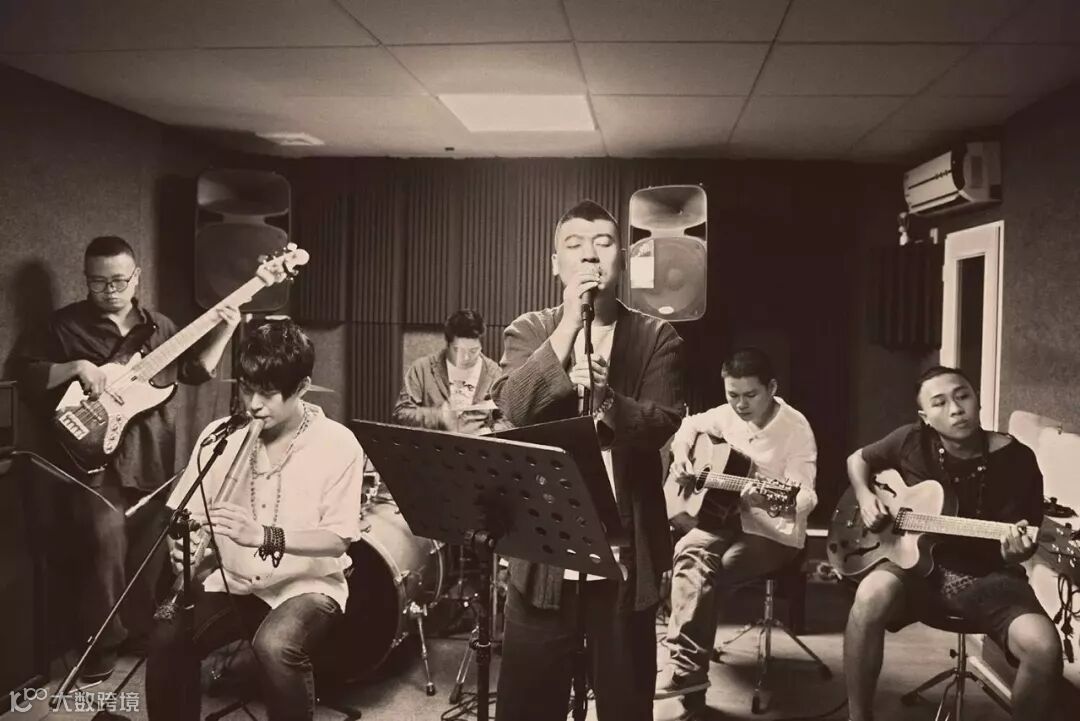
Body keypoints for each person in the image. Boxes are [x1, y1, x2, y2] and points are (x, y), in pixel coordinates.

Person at [490, 199, 685, 721]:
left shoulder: (657, 337)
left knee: (625, 705)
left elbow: (662, 422)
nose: (590, 256)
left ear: (622, 259)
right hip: (543, 551)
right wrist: (565, 334)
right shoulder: (529, 330)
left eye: (603, 244)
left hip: (624, 555)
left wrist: (607, 399)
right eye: (574, 246)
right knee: (527, 707)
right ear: (556, 264)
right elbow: (513, 406)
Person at [18, 235, 238, 681]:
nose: (109, 290)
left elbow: (194, 371)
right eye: (97, 282)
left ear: (136, 277)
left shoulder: (160, 327)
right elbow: (23, 373)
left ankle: (136, 632)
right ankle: (100, 644)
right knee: (105, 547)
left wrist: (225, 329)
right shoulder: (62, 326)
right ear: (85, 279)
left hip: (151, 454)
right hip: (89, 462)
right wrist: (76, 367)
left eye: (118, 280)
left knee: (147, 554)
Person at [146, 319, 366, 721]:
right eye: (247, 388)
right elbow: (185, 513)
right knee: (166, 635)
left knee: (275, 645)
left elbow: (338, 539)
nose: (253, 404)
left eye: (267, 393)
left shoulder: (338, 443)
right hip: (233, 579)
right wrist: (182, 548)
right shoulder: (219, 436)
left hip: (306, 584)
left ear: (302, 387)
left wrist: (264, 535)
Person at [843, 365, 1062, 721]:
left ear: (977, 399)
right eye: (940, 402)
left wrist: (1016, 551)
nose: (956, 409)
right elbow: (857, 459)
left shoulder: (1017, 459)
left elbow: (1023, 538)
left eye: (963, 396)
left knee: (1044, 646)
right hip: (911, 565)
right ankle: (858, 717)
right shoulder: (910, 440)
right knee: (869, 596)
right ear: (925, 417)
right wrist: (865, 496)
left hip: (988, 575)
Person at [657, 348, 818, 699]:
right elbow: (688, 425)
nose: (740, 404)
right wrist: (681, 457)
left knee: (709, 573)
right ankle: (687, 671)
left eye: (750, 395)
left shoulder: (796, 428)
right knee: (688, 551)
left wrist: (767, 500)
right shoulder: (726, 415)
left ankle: (687, 672)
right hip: (721, 518)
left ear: (771, 388)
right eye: (732, 395)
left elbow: (806, 496)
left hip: (772, 531)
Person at [392, 308, 501, 434]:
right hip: (434, 445)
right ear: (448, 344)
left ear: (480, 345)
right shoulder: (422, 368)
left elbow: (508, 419)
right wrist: (438, 417)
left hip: (477, 445)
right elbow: (401, 413)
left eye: (473, 350)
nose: (466, 357)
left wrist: (491, 432)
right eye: (458, 350)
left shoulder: (493, 373)